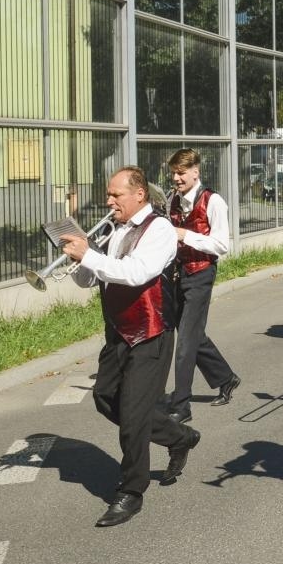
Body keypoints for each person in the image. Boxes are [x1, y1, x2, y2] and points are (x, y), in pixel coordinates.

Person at [66, 167, 200, 527]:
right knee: (105, 398)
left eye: (116, 195)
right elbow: (92, 278)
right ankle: (179, 437)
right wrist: (79, 260)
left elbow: (137, 273)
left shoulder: (158, 230)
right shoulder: (114, 230)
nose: (109, 202)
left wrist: (91, 256)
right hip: (118, 332)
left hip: (150, 333)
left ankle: (131, 491)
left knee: (133, 417)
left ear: (139, 194)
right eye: (109, 195)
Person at [163, 148, 243, 419]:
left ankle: (181, 406)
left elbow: (221, 245)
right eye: (173, 172)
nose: (176, 178)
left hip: (201, 273)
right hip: (177, 273)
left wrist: (185, 235)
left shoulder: (213, 201)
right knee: (194, 334)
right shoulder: (172, 199)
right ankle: (226, 377)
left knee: (185, 341)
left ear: (195, 172)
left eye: (181, 173)